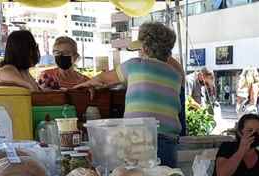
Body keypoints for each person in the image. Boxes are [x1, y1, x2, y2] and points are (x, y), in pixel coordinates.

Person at [74, 22, 183, 166]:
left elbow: (102, 80)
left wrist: (83, 85)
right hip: (168, 141)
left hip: (137, 137)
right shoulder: (176, 75)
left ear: (143, 48)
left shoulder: (134, 65)